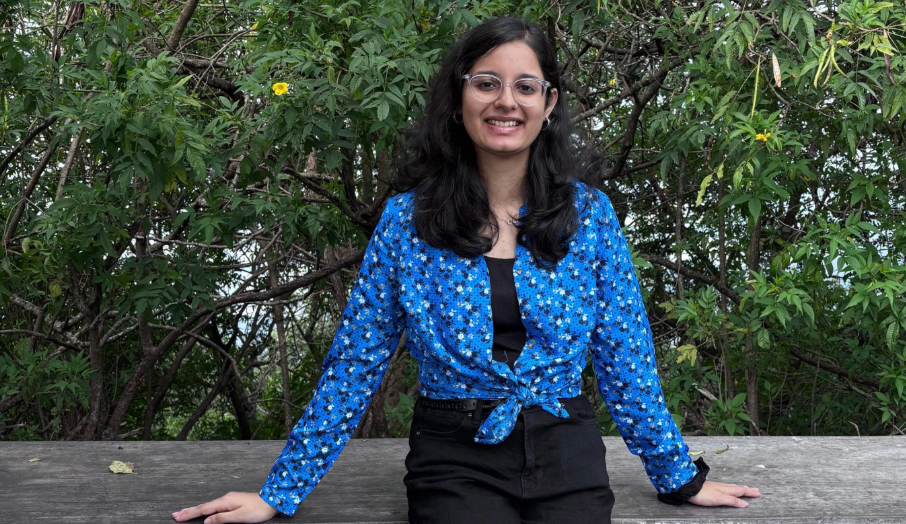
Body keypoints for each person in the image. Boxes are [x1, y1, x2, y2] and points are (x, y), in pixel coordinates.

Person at [172, 16, 761, 524]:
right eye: (487, 83)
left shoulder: (589, 215)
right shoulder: (409, 220)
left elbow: (624, 357)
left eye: (525, 87)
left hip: (566, 445)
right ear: (459, 99)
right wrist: (280, 493)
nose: (506, 101)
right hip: (453, 451)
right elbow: (358, 357)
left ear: (548, 104)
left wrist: (678, 476)